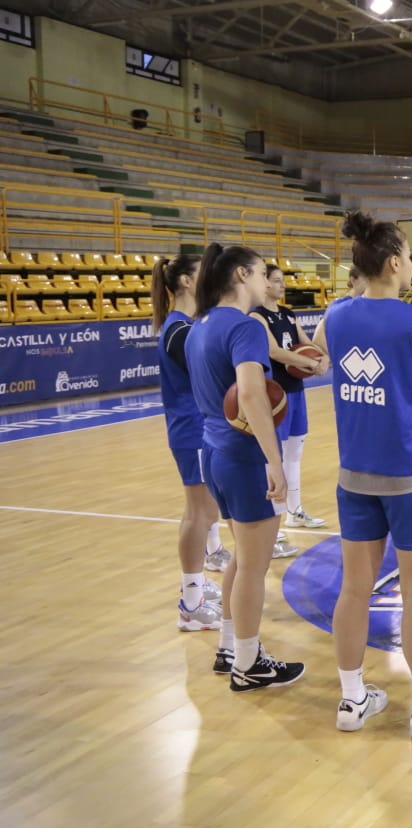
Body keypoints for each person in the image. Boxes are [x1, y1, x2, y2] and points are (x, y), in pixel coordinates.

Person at [316, 210, 412, 739]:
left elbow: (321, 355)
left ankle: (352, 699)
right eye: (407, 255)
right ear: (392, 263)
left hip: (355, 475)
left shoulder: (334, 317)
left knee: (354, 592)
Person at [185, 243, 304, 690]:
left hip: (213, 451)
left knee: (242, 556)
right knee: (254, 566)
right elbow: (252, 395)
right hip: (244, 456)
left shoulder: (199, 325)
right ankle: (249, 665)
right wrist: (275, 461)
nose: (264, 281)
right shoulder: (245, 326)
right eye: (259, 274)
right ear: (241, 275)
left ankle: (230, 648)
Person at [151, 255, 224, 632]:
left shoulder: (185, 326)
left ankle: (195, 587)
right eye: (202, 274)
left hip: (197, 430)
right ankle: (190, 604)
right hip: (192, 430)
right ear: (183, 282)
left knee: (202, 514)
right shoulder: (179, 331)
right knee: (201, 515)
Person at [250, 264, 327, 555]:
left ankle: (295, 511)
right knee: (275, 460)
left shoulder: (288, 314)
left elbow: (306, 344)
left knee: (295, 456)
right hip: (275, 394)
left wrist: (322, 359)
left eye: (283, 281)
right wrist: (310, 363)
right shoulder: (257, 317)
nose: (282, 286)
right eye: (277, 281)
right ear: (265, 284)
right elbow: (274, 351)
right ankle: (275, 524)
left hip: (297, 392)